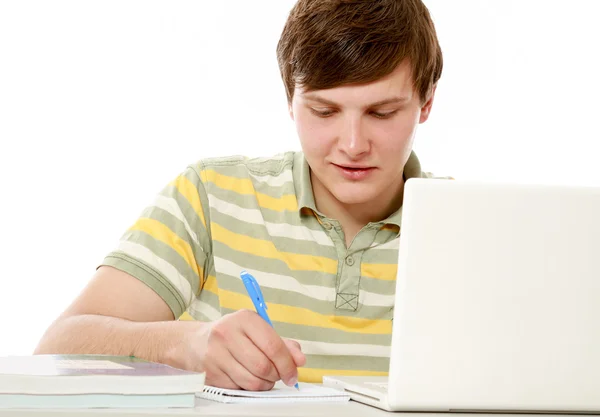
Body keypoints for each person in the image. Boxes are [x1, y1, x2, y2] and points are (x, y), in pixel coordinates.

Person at [35, 0, 446, 391]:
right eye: (324, 112)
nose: (353, 145)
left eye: (381, 113)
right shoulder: (211, 196)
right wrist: (184, 346)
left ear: (426, 102)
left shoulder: (475, 230)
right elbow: (56, 351)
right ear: (290, 100)